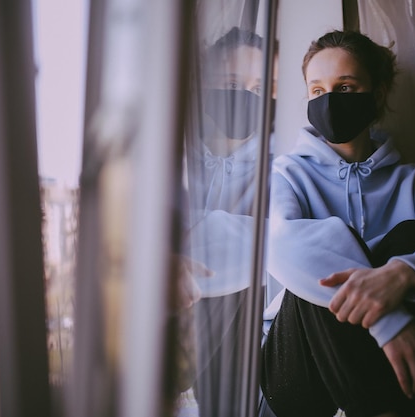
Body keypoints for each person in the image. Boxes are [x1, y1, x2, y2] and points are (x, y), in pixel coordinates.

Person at [260, 30, 415, 417]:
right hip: (299, 372)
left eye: (345, 88)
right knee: (314, 264)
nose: (328, 100)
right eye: (317, 90)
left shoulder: (410, 180)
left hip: (396, 370)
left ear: (377, 94)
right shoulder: (288, 172)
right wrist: (387, 321)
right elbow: (281, 243)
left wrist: (402, 273)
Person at [180, 26, 270, 417]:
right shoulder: (174, 155)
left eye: (257, 88)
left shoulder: (277, 163)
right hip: (171, 311)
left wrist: (193, 234)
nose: (244, 98)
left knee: (245, 278)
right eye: (232, 83)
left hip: (240, 329)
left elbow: (273, 242)